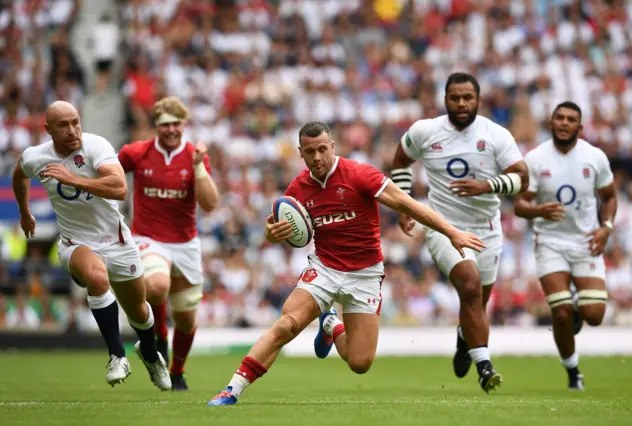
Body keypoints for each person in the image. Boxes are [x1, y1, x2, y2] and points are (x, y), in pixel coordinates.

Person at [207, 121, 486, 406]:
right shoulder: (298, 189)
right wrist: (270, 233)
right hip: (325, 269)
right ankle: (232, 389)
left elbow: (407, 203)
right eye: (310, 152)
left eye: (321, 150)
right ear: (301, 154)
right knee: (286, 326)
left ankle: (331, 325)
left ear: (332, 147)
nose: (317, 157)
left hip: (365, 274)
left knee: (360, 362)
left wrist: (451, 231)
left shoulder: (359, 175)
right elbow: (278, 230)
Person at [12, 101, 171, 391]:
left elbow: (119, 187)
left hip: (117, 241)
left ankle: (149, 354)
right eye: (63, 125)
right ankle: (117, 355)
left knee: (139, 311)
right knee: (97, 278)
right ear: (48, 130)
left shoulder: (96, 147)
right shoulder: (36, 157)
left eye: (76, 122)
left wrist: (72, 178)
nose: (72, 130)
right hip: (76, 242)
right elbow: (18, 174)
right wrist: (25, 212)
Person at [390, 72, 529, 392]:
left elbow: (522, 177)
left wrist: (488, 185)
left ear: (478, 99)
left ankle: (464, 337)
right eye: (455, 97)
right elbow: (400, 161)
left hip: (488, 231)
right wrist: (406, 205)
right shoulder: (425, 131)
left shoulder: (496, 135)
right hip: (443, 226)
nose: (462, 103)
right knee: (469, 286)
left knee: (477, 304)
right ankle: (485, 367)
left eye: (468, 97)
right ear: (445, 99)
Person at [118, 96, 219, 391]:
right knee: (157, 286)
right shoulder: (135, 153)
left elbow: (210, 204)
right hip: (147, 238)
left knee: (187, 318)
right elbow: (108, 172)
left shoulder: (194, 156)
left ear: (184, 124)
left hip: (186, 242)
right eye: (165, 124)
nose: (171, 129)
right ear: (156, 126)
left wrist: (199, 167)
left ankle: (176, 371)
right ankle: (159, 337)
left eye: (176, 123)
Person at [514, 102, 616, 390]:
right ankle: (572, 370)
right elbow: (520, 204)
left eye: (571, 119)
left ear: (580, 127)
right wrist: (538, 211)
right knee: (559, 313)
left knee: (594, 316)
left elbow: (609, 196)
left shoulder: (594, 157)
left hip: (586, 241)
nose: (564, 123)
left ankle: (575, 308)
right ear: (551, 123)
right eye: (559, 118)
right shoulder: (535, 159)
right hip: (550, 242)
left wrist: (605, 228)